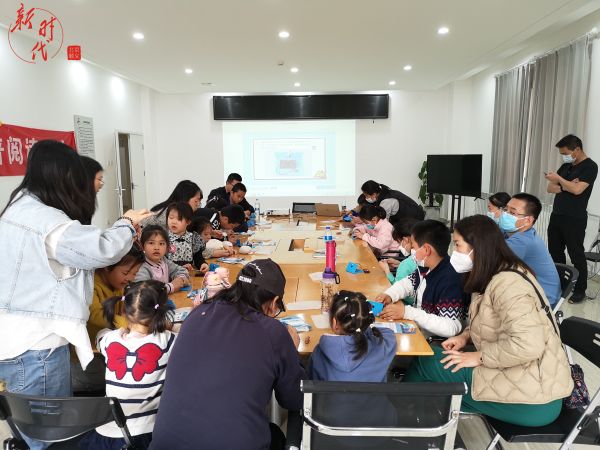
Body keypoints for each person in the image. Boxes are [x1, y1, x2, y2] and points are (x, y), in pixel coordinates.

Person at [0, 140, 152, 450]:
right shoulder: (43, 219)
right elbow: (101, 249)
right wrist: (126, 222)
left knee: (36, 431)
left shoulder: (18, 209)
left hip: (20, 342)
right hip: (37, 347)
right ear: (59, 175)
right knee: (48, 437)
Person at [403, 215, 573, 427]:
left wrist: (479, 357)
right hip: (519, 376)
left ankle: (400, 420)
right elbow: (492, 321)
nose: (454, 252)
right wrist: (465, 337)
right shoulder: (493, 275)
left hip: (534, 397)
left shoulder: (509, 285)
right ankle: (417, 421)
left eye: (458, 245)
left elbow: (528, 344)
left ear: (478, 247)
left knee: (425, 363)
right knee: (433, 357)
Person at [150, 259, 304, 450]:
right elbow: (295, 399)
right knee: (276, 434)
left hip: (165, 443)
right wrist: (292, 350)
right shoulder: (272, 331)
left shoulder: (197, 314)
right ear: (273, 303)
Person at [79, 280, 177, 450]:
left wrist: (119, 331)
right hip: (144, 433)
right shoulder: (168, 341)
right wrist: (171, 328)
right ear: (161, 311)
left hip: (106, 431)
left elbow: (100, 336)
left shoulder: (110, 340)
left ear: (124, 310)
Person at [375, 220, 466, 338]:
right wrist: (390, 294)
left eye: (413, 247)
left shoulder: (450, 279)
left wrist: (407, 312)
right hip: (419, 330)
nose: (411, 251)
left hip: (435, 341)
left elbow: (451, 327)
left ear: (426, 250)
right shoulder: (426, 267)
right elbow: (407, 284)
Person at [546, 134, 598, 303]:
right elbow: (550, 188)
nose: (564, 156)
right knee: (555, 252)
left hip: (575, 218)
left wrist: (560, 181)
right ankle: (560, 284)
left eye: (565, 153)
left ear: (577, 149)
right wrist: (567, 185)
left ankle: (580, 290)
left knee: (576, 255)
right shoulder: (566, 166)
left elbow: (578, 190)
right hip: (557, 215)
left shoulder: (590, 166)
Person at [308, 290, 396, 382]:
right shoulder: (383, 345)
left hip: (332, 392)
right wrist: (363, 325)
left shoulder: (319, 353)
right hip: (373, 392)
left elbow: (311, 383)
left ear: (334, 323)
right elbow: (388, 333)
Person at [499, 193, 561, 307]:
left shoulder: (523, 241)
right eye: (506, 209)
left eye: (512, 213)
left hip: (542, 301)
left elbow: (490, 262)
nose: (505, 215)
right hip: (528, 289)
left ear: (527, 220)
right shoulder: (515, 232)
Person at [135, 225, 190, 294]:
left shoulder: (164, 261)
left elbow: (181, 270)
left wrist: (181, 279)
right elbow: (143, 290)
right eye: (151, 243)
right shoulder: (141, 266)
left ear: (167, 247)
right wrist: (170, 287)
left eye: (161, 243)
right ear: (142, 246)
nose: (156, 248)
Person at [378, 218, 419, 304]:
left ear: (406, 240)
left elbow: (397, 289)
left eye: (399, 242)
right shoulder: (420, 260)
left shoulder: (406, 264)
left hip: (405, 305)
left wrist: (387, 271)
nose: (400, 246)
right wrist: (399, 264)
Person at [352, 180, 424, 223]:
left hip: (415, 219)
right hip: (410, 217)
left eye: (366, 196)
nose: (366, 198)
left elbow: (382, 222)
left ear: (374, 194)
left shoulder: (386, 201)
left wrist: (363, 221)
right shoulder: (384, 193)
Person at [165, 202, 206, 272]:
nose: (173, 222)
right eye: (171, 218)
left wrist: (202, 264)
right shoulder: (163, 238)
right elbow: (161, 261)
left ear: (188, 222)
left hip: (188, 274)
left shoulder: (193, 238)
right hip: (169, 275)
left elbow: (197, 257)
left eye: (179, 219)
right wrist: (179, 267)